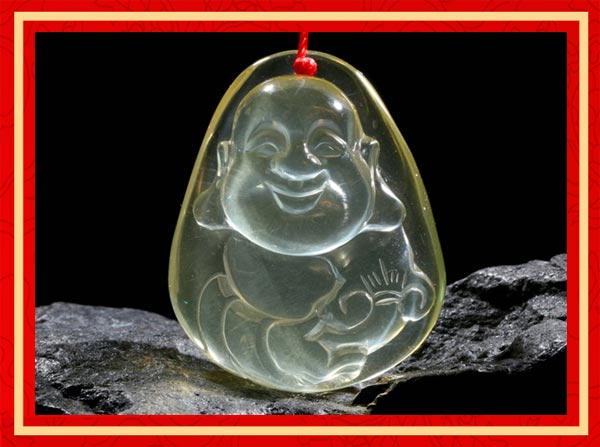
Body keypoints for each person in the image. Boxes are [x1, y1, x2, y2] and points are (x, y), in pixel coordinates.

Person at [192, 75, 434, 390]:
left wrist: (409, 291)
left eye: (328, 146)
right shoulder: (234, 264)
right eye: (267, 145)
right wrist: (276, 347)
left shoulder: (383, 244)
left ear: (369, 162)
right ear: (226, 163)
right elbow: (215, 312)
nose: (297, 168)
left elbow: (408, 292)